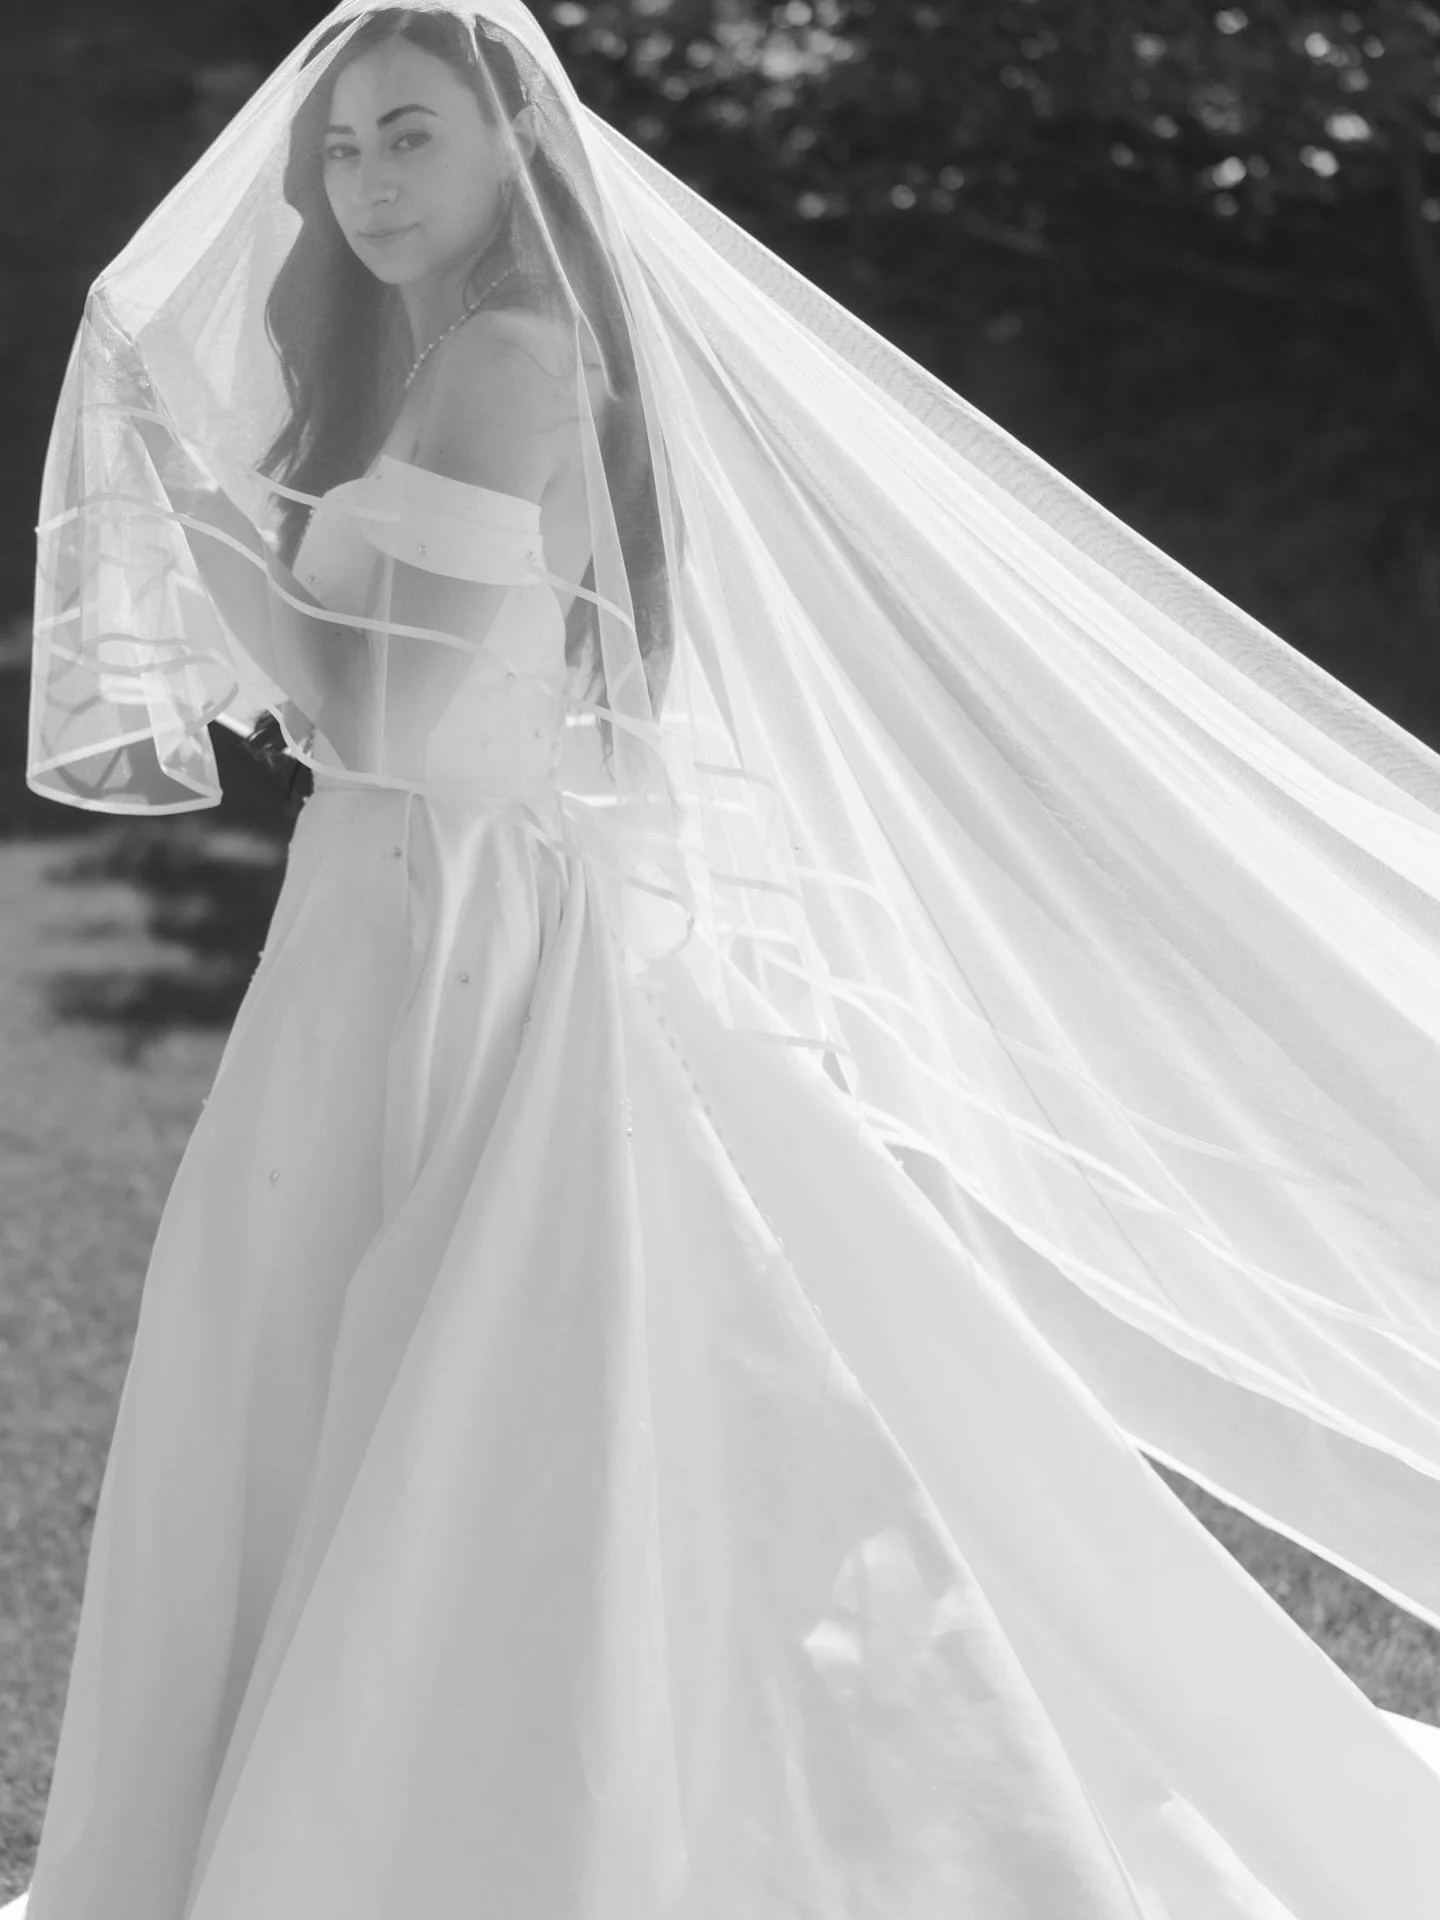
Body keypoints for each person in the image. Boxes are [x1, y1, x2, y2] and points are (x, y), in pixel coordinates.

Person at [19, 2, 1440, 1913]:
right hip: (387, 916)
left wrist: (200, 524)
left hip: (457, 931)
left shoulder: (513, 358)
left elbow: (398, 715)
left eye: (411, 137)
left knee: (471, 1377)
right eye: (342, 149)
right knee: (336, 1354)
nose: (363, 183)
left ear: (515, 143)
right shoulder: (450, 349)